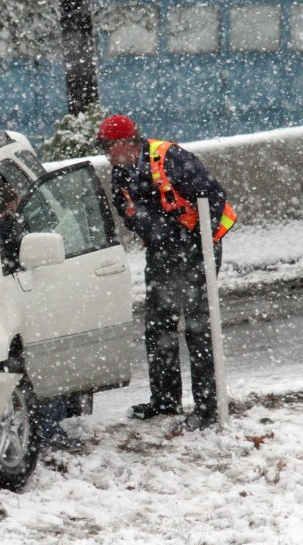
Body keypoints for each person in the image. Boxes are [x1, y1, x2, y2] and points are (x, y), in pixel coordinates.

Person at [95, 115, 237, 431]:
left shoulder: (170, 157)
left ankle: (208, 406)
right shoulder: (121, 171)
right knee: (159, 326)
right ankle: (165, 399)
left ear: (124, 144)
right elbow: (125, 207)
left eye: (108, 147)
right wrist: (155, 232)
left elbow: (213, 196)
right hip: (164, 253)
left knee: (199, 329)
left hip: (198, 247)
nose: (107, 154)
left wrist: (191, 240)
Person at [0, 181, 83, 452]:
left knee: (38, 370)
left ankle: (45, 427)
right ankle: (49, 429)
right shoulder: (9, 227)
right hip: (26, 302)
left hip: (20, 304)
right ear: (11, 202)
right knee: (48, 367)